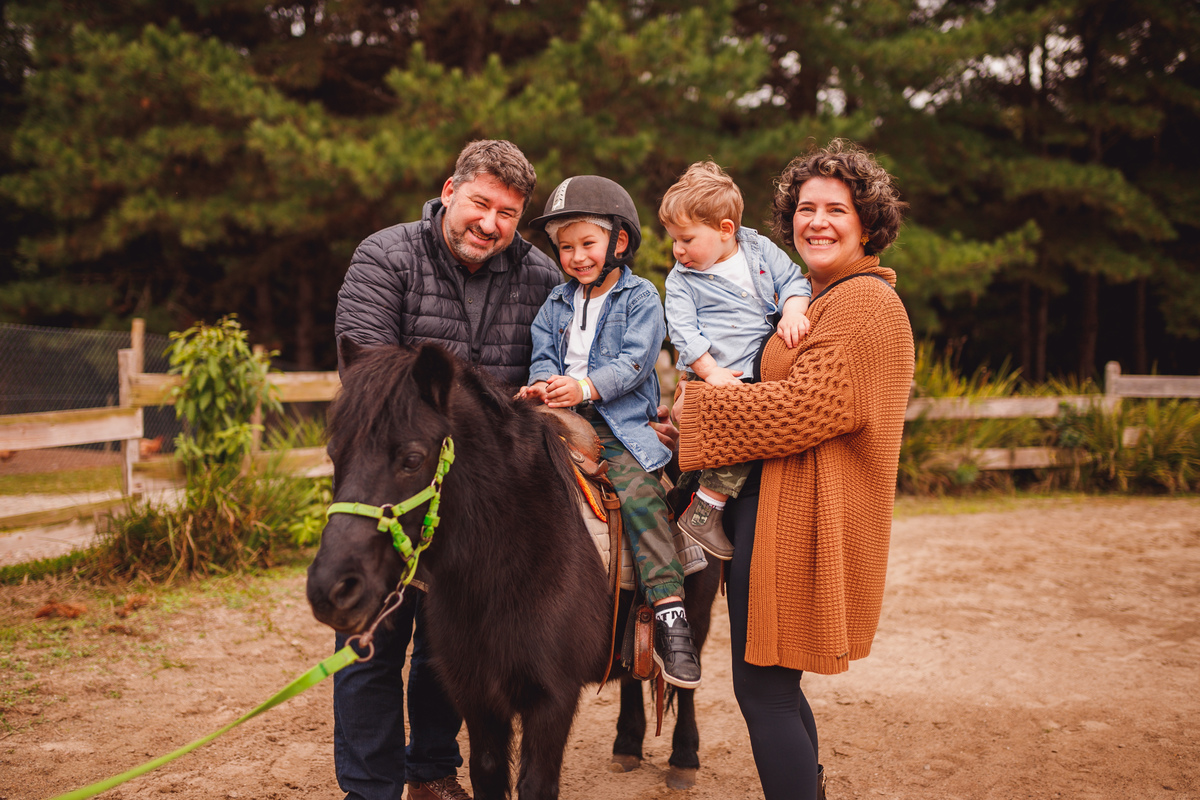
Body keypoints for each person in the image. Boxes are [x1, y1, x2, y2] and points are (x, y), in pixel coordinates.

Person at [671, 139, 915, 800]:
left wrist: (702, 411)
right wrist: (690, 420)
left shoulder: (864, 305)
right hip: (771, 513)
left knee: (763, 688)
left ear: (868, 223)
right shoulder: (814, 299)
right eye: (806, 208)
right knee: (773, 685)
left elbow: (804, 409)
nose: (818, 221)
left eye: (837, 209)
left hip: (803, 522)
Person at [332, 139, 561, 800]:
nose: (491, 224)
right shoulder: (387, 255)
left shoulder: (541, 278)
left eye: (509, 213)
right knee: (371, 640)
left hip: (478, 504)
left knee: (449, 648)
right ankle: (370, 788)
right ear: (450, 190)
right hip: (391, 490)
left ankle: (431, 767)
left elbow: (557, 361)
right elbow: (369, 373)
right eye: (482, 203)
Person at [518, 175, 703, 689]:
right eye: (566, 247)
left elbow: (635, 363)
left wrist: (582, 387)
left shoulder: (641, 297)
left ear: (618, 243)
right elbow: (542, 357)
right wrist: (539, 387)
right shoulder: (555, 303)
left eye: (587, 244)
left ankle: (670, 612)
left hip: (617, 425)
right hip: (557, 418)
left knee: (641, 495)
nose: (576, 256)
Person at [659, 160, 812, 561]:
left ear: (726, 230)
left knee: (726, 445)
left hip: (753, 372)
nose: (678, 250)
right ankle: (706, 511)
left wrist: (794, 311)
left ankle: (685, 500)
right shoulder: (681, 281)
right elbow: (683, 333)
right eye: (673, 239)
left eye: (687, 239)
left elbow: (794, 280)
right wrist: (710, 373)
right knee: (742, 436)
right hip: (713, 372)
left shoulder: (759, 249)